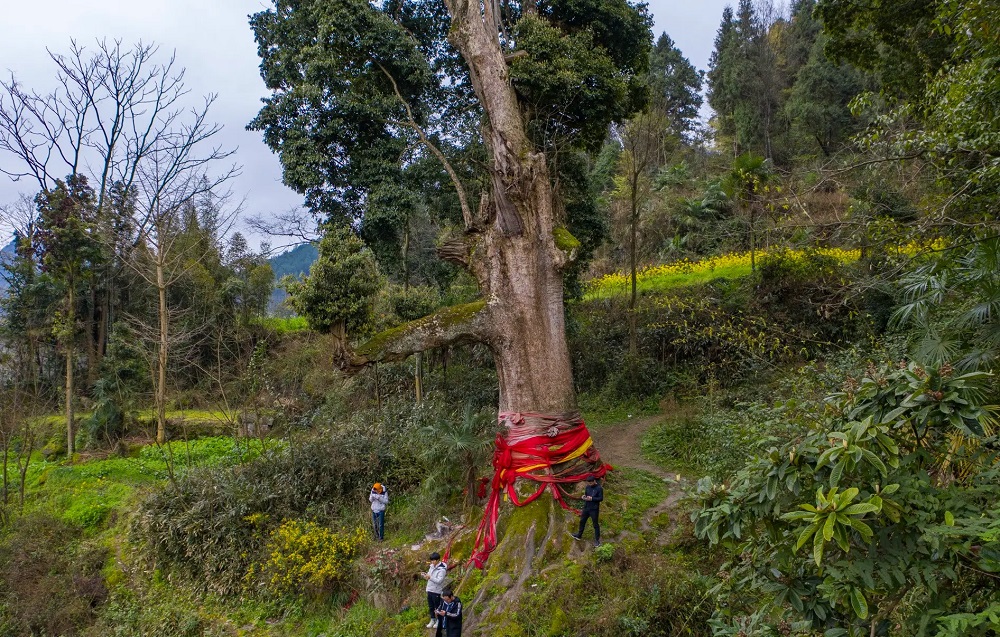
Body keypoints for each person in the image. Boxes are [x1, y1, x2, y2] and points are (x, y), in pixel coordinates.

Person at [571, 475, 603, 547]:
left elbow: (601, 498)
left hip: (594, 509)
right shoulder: (588, 487)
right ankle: (579, 535)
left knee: (595, 524)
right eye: (588, 483)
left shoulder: (599, 488)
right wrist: (584, 497)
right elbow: (586, 494)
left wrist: (592, 498)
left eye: (591, 483)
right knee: (582, 521)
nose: (590, 484)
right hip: (586, 507)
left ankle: (597, 540)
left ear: (594, 481)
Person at [422, 551, 448, 628]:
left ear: (437, 560)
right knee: (431, 606)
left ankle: (439, 620)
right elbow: (429, 576)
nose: (432, 562)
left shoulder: (442, 569)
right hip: (429, 589)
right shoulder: (432, 566)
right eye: (431, 560)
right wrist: (425, 576)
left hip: (436, 591)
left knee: (437, 607)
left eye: (433, 560)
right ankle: (433, 619)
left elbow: (439, 581)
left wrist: (430, 577)